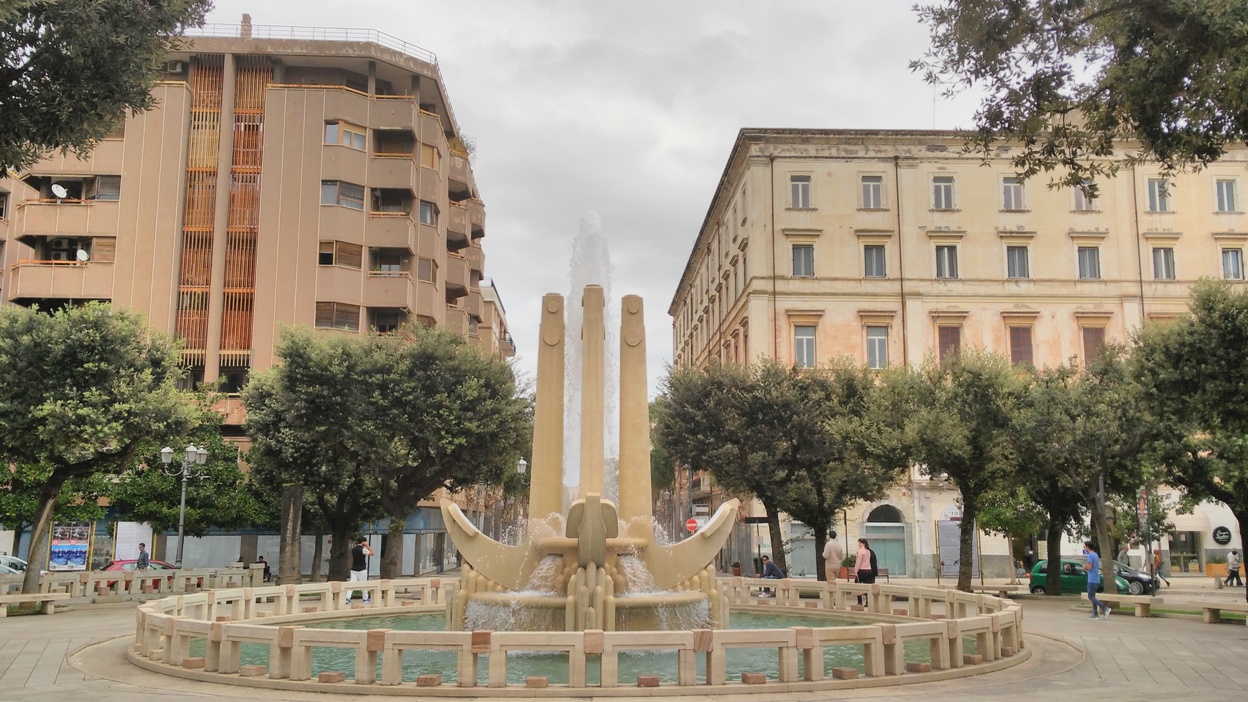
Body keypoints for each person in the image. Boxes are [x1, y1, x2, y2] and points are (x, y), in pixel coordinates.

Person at [1083, 540, 1111, 620]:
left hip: (1092, 579)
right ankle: (1095, 613)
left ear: (1088, 547)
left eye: (1084, 546)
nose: (1084, 547)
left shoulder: (1090, 555)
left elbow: (1090, 567)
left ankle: (1105, 608)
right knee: (1093, 596)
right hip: (1096, 579)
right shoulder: (1095, 555)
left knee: (1090, 596)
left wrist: (1084, 566)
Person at [345, 536, 374, 605]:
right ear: (363, 542)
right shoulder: (363, 549)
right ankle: (365, 598)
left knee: (351, 584)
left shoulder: (353, 549)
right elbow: (372, 553)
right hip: (362, 569)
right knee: (364, 584)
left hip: (354, 569)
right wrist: (368, 546)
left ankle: (347, 598)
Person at [854, 538, 876, 605]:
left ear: (863, 543)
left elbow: (858, 562)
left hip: (861, 570)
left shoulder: (860, 551)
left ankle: (860, 601)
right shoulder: (868, 551)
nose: (859, 544)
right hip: (868, 570)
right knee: (867, 587)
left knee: (857, 585)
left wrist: (856, 570)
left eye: (860, 543)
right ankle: (868, 601)